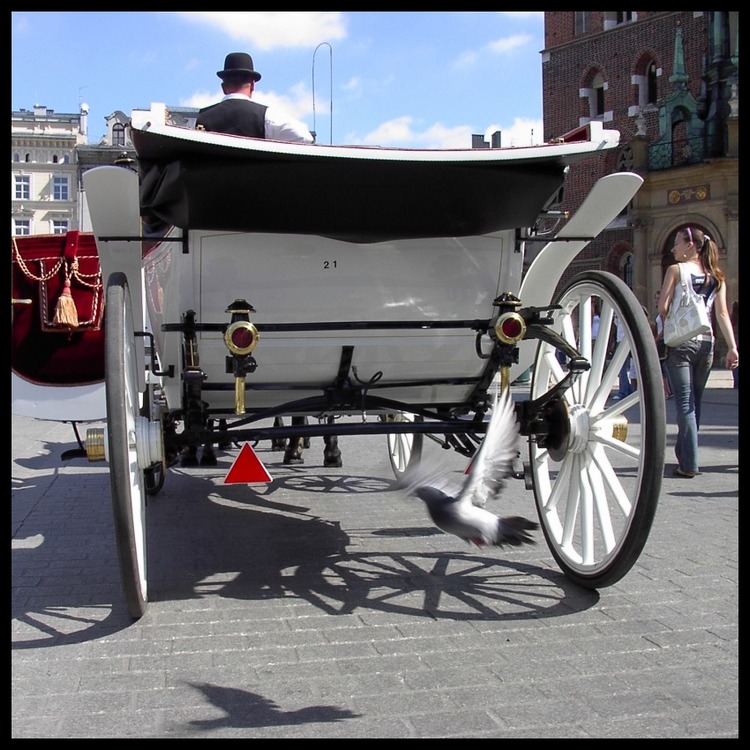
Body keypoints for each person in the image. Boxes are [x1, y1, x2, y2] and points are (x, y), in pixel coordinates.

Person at [658, 226, 738, 478]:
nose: (673, 248)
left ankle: (689, 463)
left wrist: (668, 324)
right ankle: (685, 454)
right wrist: (733, 347)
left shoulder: (675, 270)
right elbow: (722, 314)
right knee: (695, 403)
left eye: (677, 243)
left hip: (681, 342)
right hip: (707, 343)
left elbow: (663, 307)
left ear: (690, 246)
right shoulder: (717, 277)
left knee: (684, 403)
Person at [196, 52, 314, 143]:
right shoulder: (266, 116)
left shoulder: (200, 118)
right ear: (252, 85)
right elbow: (304, 137)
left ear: (223, 87)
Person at [654, 290, 673, 398]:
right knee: (663, 366)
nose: (656, 300)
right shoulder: (660, 311)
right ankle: (666, 390)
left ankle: (666, 391)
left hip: (663, 340)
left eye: (658, 298)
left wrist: (656, 339)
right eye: (655, 298)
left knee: (662, 367)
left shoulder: (662, 312)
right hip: (662, 339)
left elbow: (665, 327)